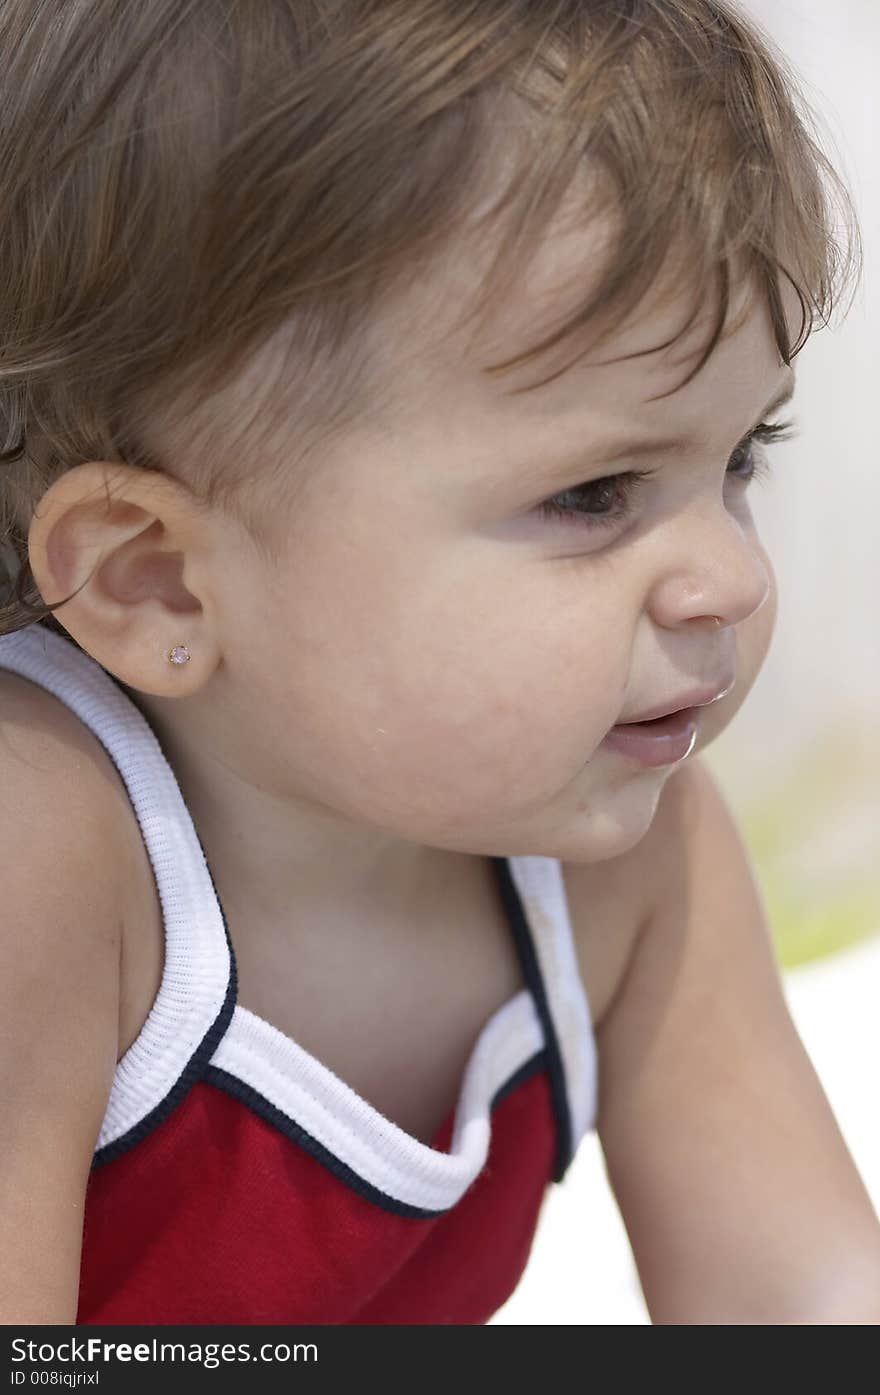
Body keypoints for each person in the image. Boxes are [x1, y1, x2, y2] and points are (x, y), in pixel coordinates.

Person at [0, 0, 878, 1326]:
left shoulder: (634, 864)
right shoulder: (47, 848)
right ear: (157, 579)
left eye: (742, 455)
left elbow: (806, 1299)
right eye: (596, 493)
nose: (736, 578)